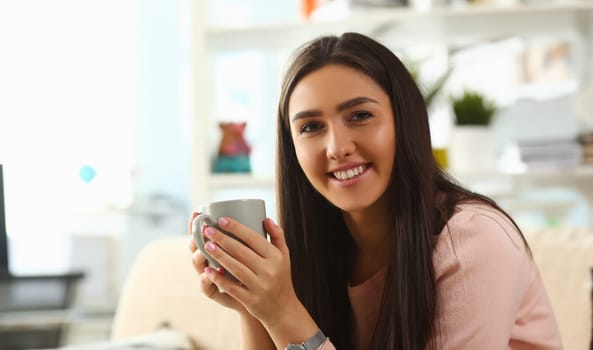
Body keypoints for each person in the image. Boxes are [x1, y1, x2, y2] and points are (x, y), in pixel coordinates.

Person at [188, 32, 562, 350]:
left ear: (404, 121)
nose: (336, 147)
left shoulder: (474, 240)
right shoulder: (315, 247)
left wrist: (282, 311)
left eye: (360, 116)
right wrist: (252, 303)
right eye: (311, 127)